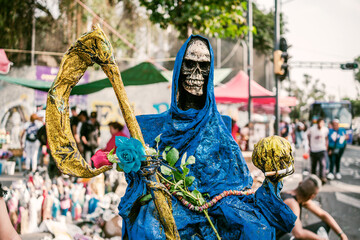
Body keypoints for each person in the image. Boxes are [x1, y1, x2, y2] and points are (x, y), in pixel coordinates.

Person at [118, 35, 296, 239]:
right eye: (189, 64)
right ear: (178, 68)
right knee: (146, 229)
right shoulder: (150, 128)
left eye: (203, 66)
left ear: (210, 73)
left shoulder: (220, 126)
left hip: (218, 204)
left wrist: (274, 177)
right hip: (170, 203)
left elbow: (236, 183)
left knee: (257, 228)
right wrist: (142, 173)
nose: (196, 73)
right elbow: (136, 181)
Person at [277, 174, 348, 240]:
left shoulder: (294, 196)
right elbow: (298, 233)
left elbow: (323, 215)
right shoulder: (292, 203)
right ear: (311, 196)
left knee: (324, 225)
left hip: (285, 235)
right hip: (278, 237)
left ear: (300, 183)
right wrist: (320, 239)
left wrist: (342, 234)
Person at [307, 118, 329, 184]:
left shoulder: (325, 129)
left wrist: (326, 146)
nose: (320, 125)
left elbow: (326, 138)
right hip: (314, 149)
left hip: (322, 149)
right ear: (317, 124)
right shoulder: (312, 129)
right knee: (314, 164)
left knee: (322, 164)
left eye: (322, 123)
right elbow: (308, 135)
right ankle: (313, 178)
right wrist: (309, 144)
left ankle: (322, 177)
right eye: (319, 123)